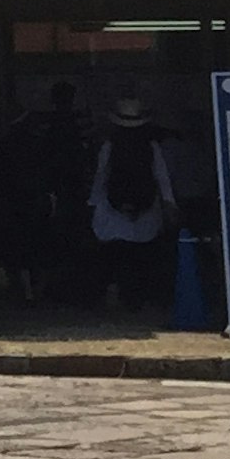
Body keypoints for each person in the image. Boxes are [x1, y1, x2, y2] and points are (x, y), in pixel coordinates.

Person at [0, 80, 88, 301]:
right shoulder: (52, 133)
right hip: (44, 198)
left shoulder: (16, 141)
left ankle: (30, 290)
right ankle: (42, 289)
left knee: (27, 246)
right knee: (44, 245)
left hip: (27, 199)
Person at [89, 98, 184, 313]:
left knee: (115, 253)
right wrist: (169, 203)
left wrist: (93, 202)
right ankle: (138, 297)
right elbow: (161, 176)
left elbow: (101, 175)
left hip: (112, 210)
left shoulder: (110, 145)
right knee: (142, 255)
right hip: (146, 209)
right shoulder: (151, 146)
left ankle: (114, 294)